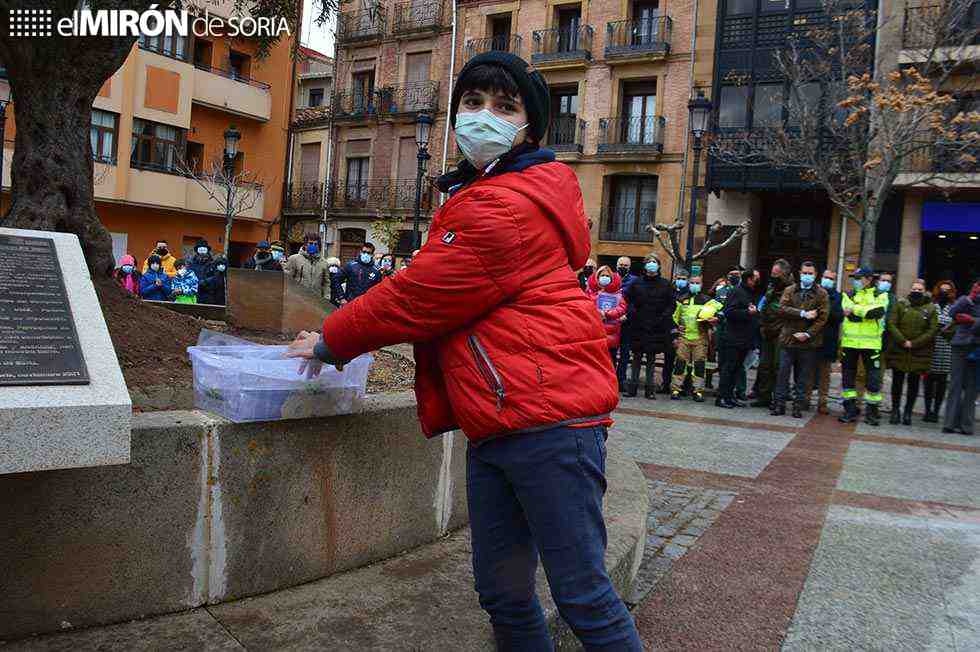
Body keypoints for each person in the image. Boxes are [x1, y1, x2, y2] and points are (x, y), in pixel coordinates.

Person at [286, 51, 642, 651]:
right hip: (503, 422)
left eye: (504, 107)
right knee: (503, 594)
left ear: (531, 127)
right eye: (471, 103)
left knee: (583, 594)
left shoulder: (504, 205)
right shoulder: (489, 192)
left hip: (549, 423)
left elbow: (418, 295)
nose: (483, 116)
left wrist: (330, 339)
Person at [772, 261, 829, 418]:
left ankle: (798, 406)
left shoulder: (821, 293)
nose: (807, 276)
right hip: (788, 339)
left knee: (803, 377)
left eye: (810, 273)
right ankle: (779, 404)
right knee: (783, 373)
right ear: (799, 273)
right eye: (805, 273)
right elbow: (781, 309)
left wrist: (808, 334)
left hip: (809, 342)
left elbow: (822, 318)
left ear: (815, 275)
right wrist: (802, 313)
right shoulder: (790, 290)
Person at [838, 267, 889, 425]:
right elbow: (849, 312)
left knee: (873, 380)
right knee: (848, 379)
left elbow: (877, 312)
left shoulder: (881, 295)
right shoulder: (848, 294)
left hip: (871, 344)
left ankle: (872, 413)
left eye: (859, 278)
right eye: (855, 278)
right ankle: (850, 411)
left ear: (868, 279)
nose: (856, 281)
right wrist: (865, 311)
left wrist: (855, 310)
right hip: (849, 343)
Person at [884, 278, 939, 425]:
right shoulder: (900, 304)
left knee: (914, 383)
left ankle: (908, 412)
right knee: (897, 381)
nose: (916, 291)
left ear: (924, 291)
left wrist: (914, 343)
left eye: (919, 289)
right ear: (910, 290)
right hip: (899, 349)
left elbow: (932, 329)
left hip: (919, 352)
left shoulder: (931, 308)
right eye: (914, 289)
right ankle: (895, 411)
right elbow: (891, 323)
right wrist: (903, 341)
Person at [625, 254, 676, 399]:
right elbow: (628, 301)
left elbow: (671, 304)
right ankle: (632, 388)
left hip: (656, 327)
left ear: (659, 266)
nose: (652, 264)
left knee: (651, 360)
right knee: (636, 358)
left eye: (654, 262)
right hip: (638, 325)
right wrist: (633, 313)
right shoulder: (636, 283)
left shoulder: (666, 284)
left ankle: (650, 390)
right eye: (649, 262)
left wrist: (663, 318)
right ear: (645, 265)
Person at [670, 273, 721, 402]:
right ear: (689, 283)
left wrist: (716, 318)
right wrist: (676, 331)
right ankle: (676, 389)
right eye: (692, 282)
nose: (695, 285)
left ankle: (697, 391)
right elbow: (674, 318)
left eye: (697, 283)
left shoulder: (707, 300)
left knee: (699, 365)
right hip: (684, 338)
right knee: (680, 364)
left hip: (700, 337)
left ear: (702, 284)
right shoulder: (681, 300)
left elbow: (722, 310)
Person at [751, 259, 794, 408]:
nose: (773, 276)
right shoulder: (771, 286)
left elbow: (786, 311)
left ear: (784, 274)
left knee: (778, 367)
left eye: (776, 274)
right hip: (767, 330)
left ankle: (778, 399)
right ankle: (764, 396)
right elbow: (766, 305)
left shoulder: (791, 289)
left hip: (781, 331)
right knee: (764, 365)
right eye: (772, 273)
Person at [716, 269, 759, 408]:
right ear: (749, 279)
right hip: (733, 338)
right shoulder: (736, 291)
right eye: (755, 279)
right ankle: (721, 397)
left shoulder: (748, 293)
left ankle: (730, 396)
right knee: (728, 368)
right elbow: (729, 312)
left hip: (744, 339)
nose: (757, 282)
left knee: (736, 368)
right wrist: (748, 312)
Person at [943, 279, 980, 436]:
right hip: (959, 347)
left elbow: (965, 319)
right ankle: (949, 423)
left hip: (977, 348)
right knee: (955, 385)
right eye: (976, 287)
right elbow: (953, 313)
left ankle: (966, 425)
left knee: (972, 388)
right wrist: (969, 298)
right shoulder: (964, 300)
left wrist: (972, 320)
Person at [808, 269, 843, 415]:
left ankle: (822, 402)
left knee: (824, 375)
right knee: (808, 372)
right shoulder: (813, 292)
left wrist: (822, 313)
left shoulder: (838, 297)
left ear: (834, 281)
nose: (827, 280)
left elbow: (838, 316)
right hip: (812, 338)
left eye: (830, 278)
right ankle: (805, 398)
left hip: (828, 341)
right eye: (825, 277)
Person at [924, 280, 957, 422]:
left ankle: (936, 411)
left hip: (946, 348)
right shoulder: (931, 305)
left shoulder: (954, 306)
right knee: (928, 381)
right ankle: (927, 410)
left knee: (942, 382)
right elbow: (927, 320)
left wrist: (939, 323)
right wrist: (944, 323)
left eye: (947, 290)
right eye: (942, 289)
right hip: (930, 346)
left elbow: (954, 323)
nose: (944, 292)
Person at [586, 265, 628, 369]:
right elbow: (584, 306)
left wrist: (607, 314)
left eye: (607, 275)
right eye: (602, 275)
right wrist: (597, 313)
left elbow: (622, 308)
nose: (605, 277)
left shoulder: (617, 293)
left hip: (611, 334)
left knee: (610, 362)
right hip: (594, 332)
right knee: (594, 362)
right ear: (597, 277)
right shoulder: (590, 292)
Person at [615, 256, 640, 390]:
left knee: (624, 353)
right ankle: (609, 379)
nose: (622, 267)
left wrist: (627, 315)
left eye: (625, 265)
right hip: (612, 322)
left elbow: (636, 302)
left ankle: (621, 380)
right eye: (621, 264)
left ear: (629, 267)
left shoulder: (635, 281)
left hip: (626, 322)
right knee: (611, 354)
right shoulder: (611, 278)